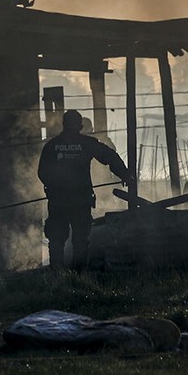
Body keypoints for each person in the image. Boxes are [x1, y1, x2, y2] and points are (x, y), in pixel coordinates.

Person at [38, 109, 131, 270]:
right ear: (80, 126)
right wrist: (125, 174)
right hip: (81, 200)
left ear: (64, 125)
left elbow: (42, 172)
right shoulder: (86, 143)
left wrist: (53, 187)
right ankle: (79, 275)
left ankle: (57, 274)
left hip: (58, 201)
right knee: (80, 240)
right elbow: (110, 156)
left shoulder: (52, 146)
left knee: (57, 239)